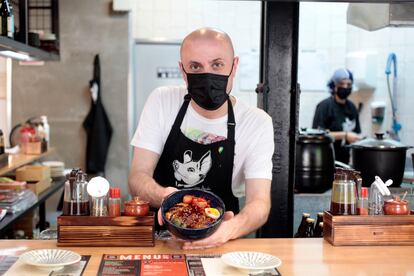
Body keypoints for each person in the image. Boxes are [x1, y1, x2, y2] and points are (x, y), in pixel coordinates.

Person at [128, 28, 274, 249]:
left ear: (234, 66)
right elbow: (137, 177)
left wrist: (228, 230)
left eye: (217, 65)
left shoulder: (256, 122)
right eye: (196, 66)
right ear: (183, 71)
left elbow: (260, 203)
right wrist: (164, 197)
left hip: (221, 241)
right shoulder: (162, 101)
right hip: (160, 241)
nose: (207, 75)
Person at [312, 68, 361, 164]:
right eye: (342, 84)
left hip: (344, 162)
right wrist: (345, 135)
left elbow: (356, 133)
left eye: (349, 84)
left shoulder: (352, 107)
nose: (345, 87)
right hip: (325, 160)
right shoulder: (324, 106)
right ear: (334, 86)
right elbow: (318, 134)